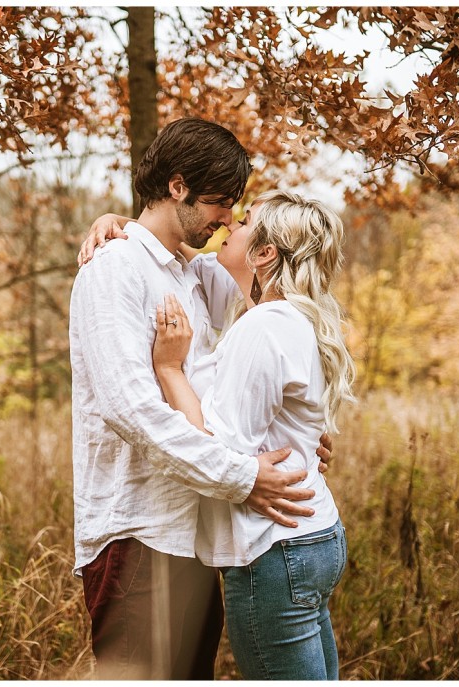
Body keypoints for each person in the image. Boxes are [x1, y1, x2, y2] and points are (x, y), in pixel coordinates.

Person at [69, 118, 328, 680]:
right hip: (138, 530)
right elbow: (129, 409)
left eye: (235, 207)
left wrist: (295, 433)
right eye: (219, 202)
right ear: (178, 186)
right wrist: (240, 475)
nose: (227, 220)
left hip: (194, 530)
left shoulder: (193, 272)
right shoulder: (114, 270)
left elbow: (264, 305)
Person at [150, 190, 356, 679]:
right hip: (311, 536)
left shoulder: (265, 327)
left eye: (243, 222)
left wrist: (169, 369)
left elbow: (218, 451)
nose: (229, 225)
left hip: (274, 551)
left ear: (265, 253)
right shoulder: (290, 319)